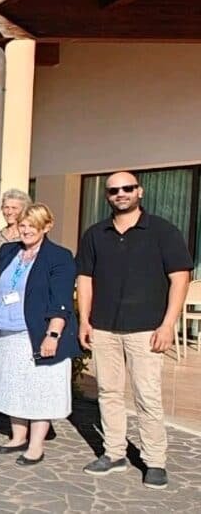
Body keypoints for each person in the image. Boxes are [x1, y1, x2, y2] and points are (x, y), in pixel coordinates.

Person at [77, 172, 191, 489]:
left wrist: (168, 324)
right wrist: (84, 320)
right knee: (108, 393)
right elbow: (85, 279)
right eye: (114, 190)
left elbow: (179, 278)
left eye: (127, 188)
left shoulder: (163, 231)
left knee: (147, 396)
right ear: (107, 196)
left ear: (139, 191)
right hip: (104, 327)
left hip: (147, 329)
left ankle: (154, 461)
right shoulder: (95, 234)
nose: (121, 194)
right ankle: (114, 453)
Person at [0, 203, 80, 466]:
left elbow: (61, 300)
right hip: (7, 331)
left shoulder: (59, 256)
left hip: (37, 333)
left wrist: (53, 335)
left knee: (40, 388)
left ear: (46, 227)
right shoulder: (7, 251)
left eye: (32, 226)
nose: (26, 230)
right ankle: (18, 436)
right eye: (23, 225)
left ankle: (36, 446)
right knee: (14, 386)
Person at [0, 189, 33, 259]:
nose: (9, 212)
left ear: (24, 210)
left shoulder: (28, 236)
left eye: (14, 208)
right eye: (6, 207)